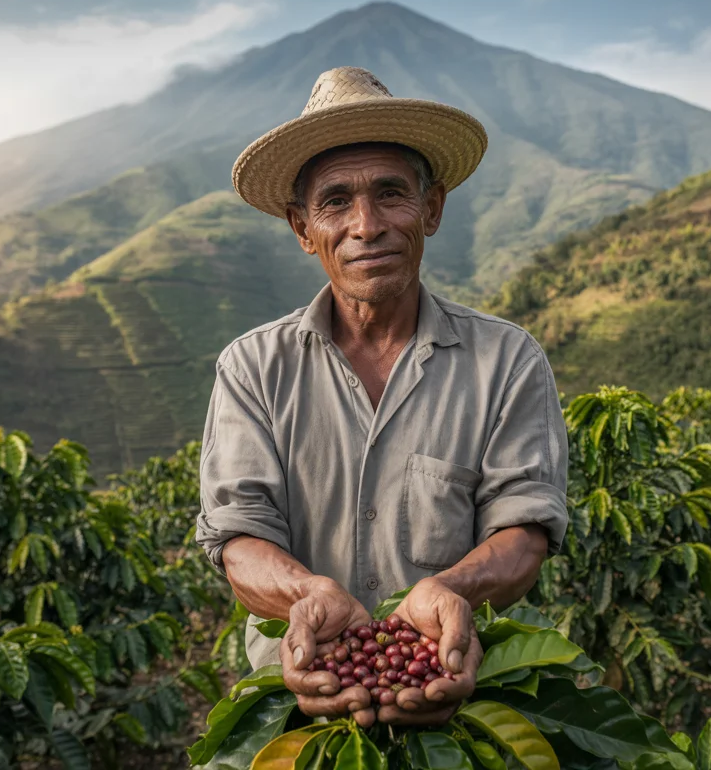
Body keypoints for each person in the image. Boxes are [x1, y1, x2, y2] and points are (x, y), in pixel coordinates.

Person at [195, 66, 568, 727]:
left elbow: (525, 530)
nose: (366, 225)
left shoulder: (507, 361)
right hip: (297, 702)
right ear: (302, 228)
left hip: (462, 694)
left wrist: (450, 591)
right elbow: (240, 536)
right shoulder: (252, 369)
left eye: (391, 194)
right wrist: (306, 596)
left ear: (432, 209)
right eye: (335, 202)